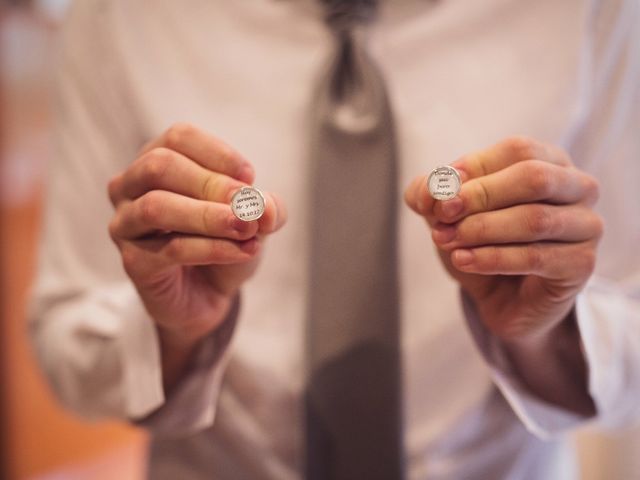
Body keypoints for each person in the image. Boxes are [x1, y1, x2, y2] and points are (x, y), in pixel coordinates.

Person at [29, 0, 640, 479]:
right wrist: (175, 335)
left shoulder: (592, 10)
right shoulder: (120, 15)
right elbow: (63, 341)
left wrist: (544, 335)